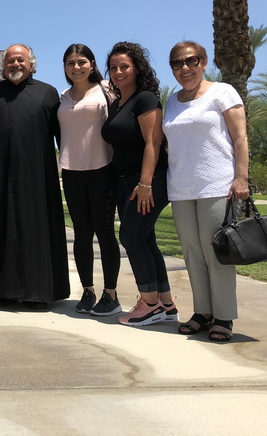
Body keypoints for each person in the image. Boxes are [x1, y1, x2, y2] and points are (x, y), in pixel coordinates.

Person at [163, 41, 249, 342]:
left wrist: (241, 178)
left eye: (191, 61)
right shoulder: (171, 101)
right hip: (181, 188)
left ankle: (224, 316)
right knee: (192, 252)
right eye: (177, 63)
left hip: (217, 184)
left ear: (203, 61)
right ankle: (203, 311)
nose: (184, 68)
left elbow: (240, 137)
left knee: (217, 252)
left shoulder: (222, 92)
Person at [0, 44, 70, 309]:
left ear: (31, 63)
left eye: (20, 60)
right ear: (2, 66)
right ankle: (2, 290)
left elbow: (63, 135)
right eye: (9, 61)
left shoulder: (47, 93)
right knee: (0, 229)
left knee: (38, 231)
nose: (15, 65)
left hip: (37, 175)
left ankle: (39, 292)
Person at [101, 41, 178, 327]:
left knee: (131, 238)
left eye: (124, 67)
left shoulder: (145, 99)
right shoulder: (117, 102)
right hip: (124, 181)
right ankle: (166, 304)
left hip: (147, 181)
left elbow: (153, 142)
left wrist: (145, 183)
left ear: (136, 68)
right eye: (113, 67)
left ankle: (149, 304)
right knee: (145, 239)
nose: (118, 71)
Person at [58, 44, 121, 316]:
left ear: (92, 64)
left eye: (82, 61)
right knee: (81, 234)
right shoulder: (62, 96)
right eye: (71, 63)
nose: (76, 67)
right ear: (65, 68)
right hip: (71, 172)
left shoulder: (107, 90)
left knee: (105, 232)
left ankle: (111, 294)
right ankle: (87, 290)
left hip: (102, 170)